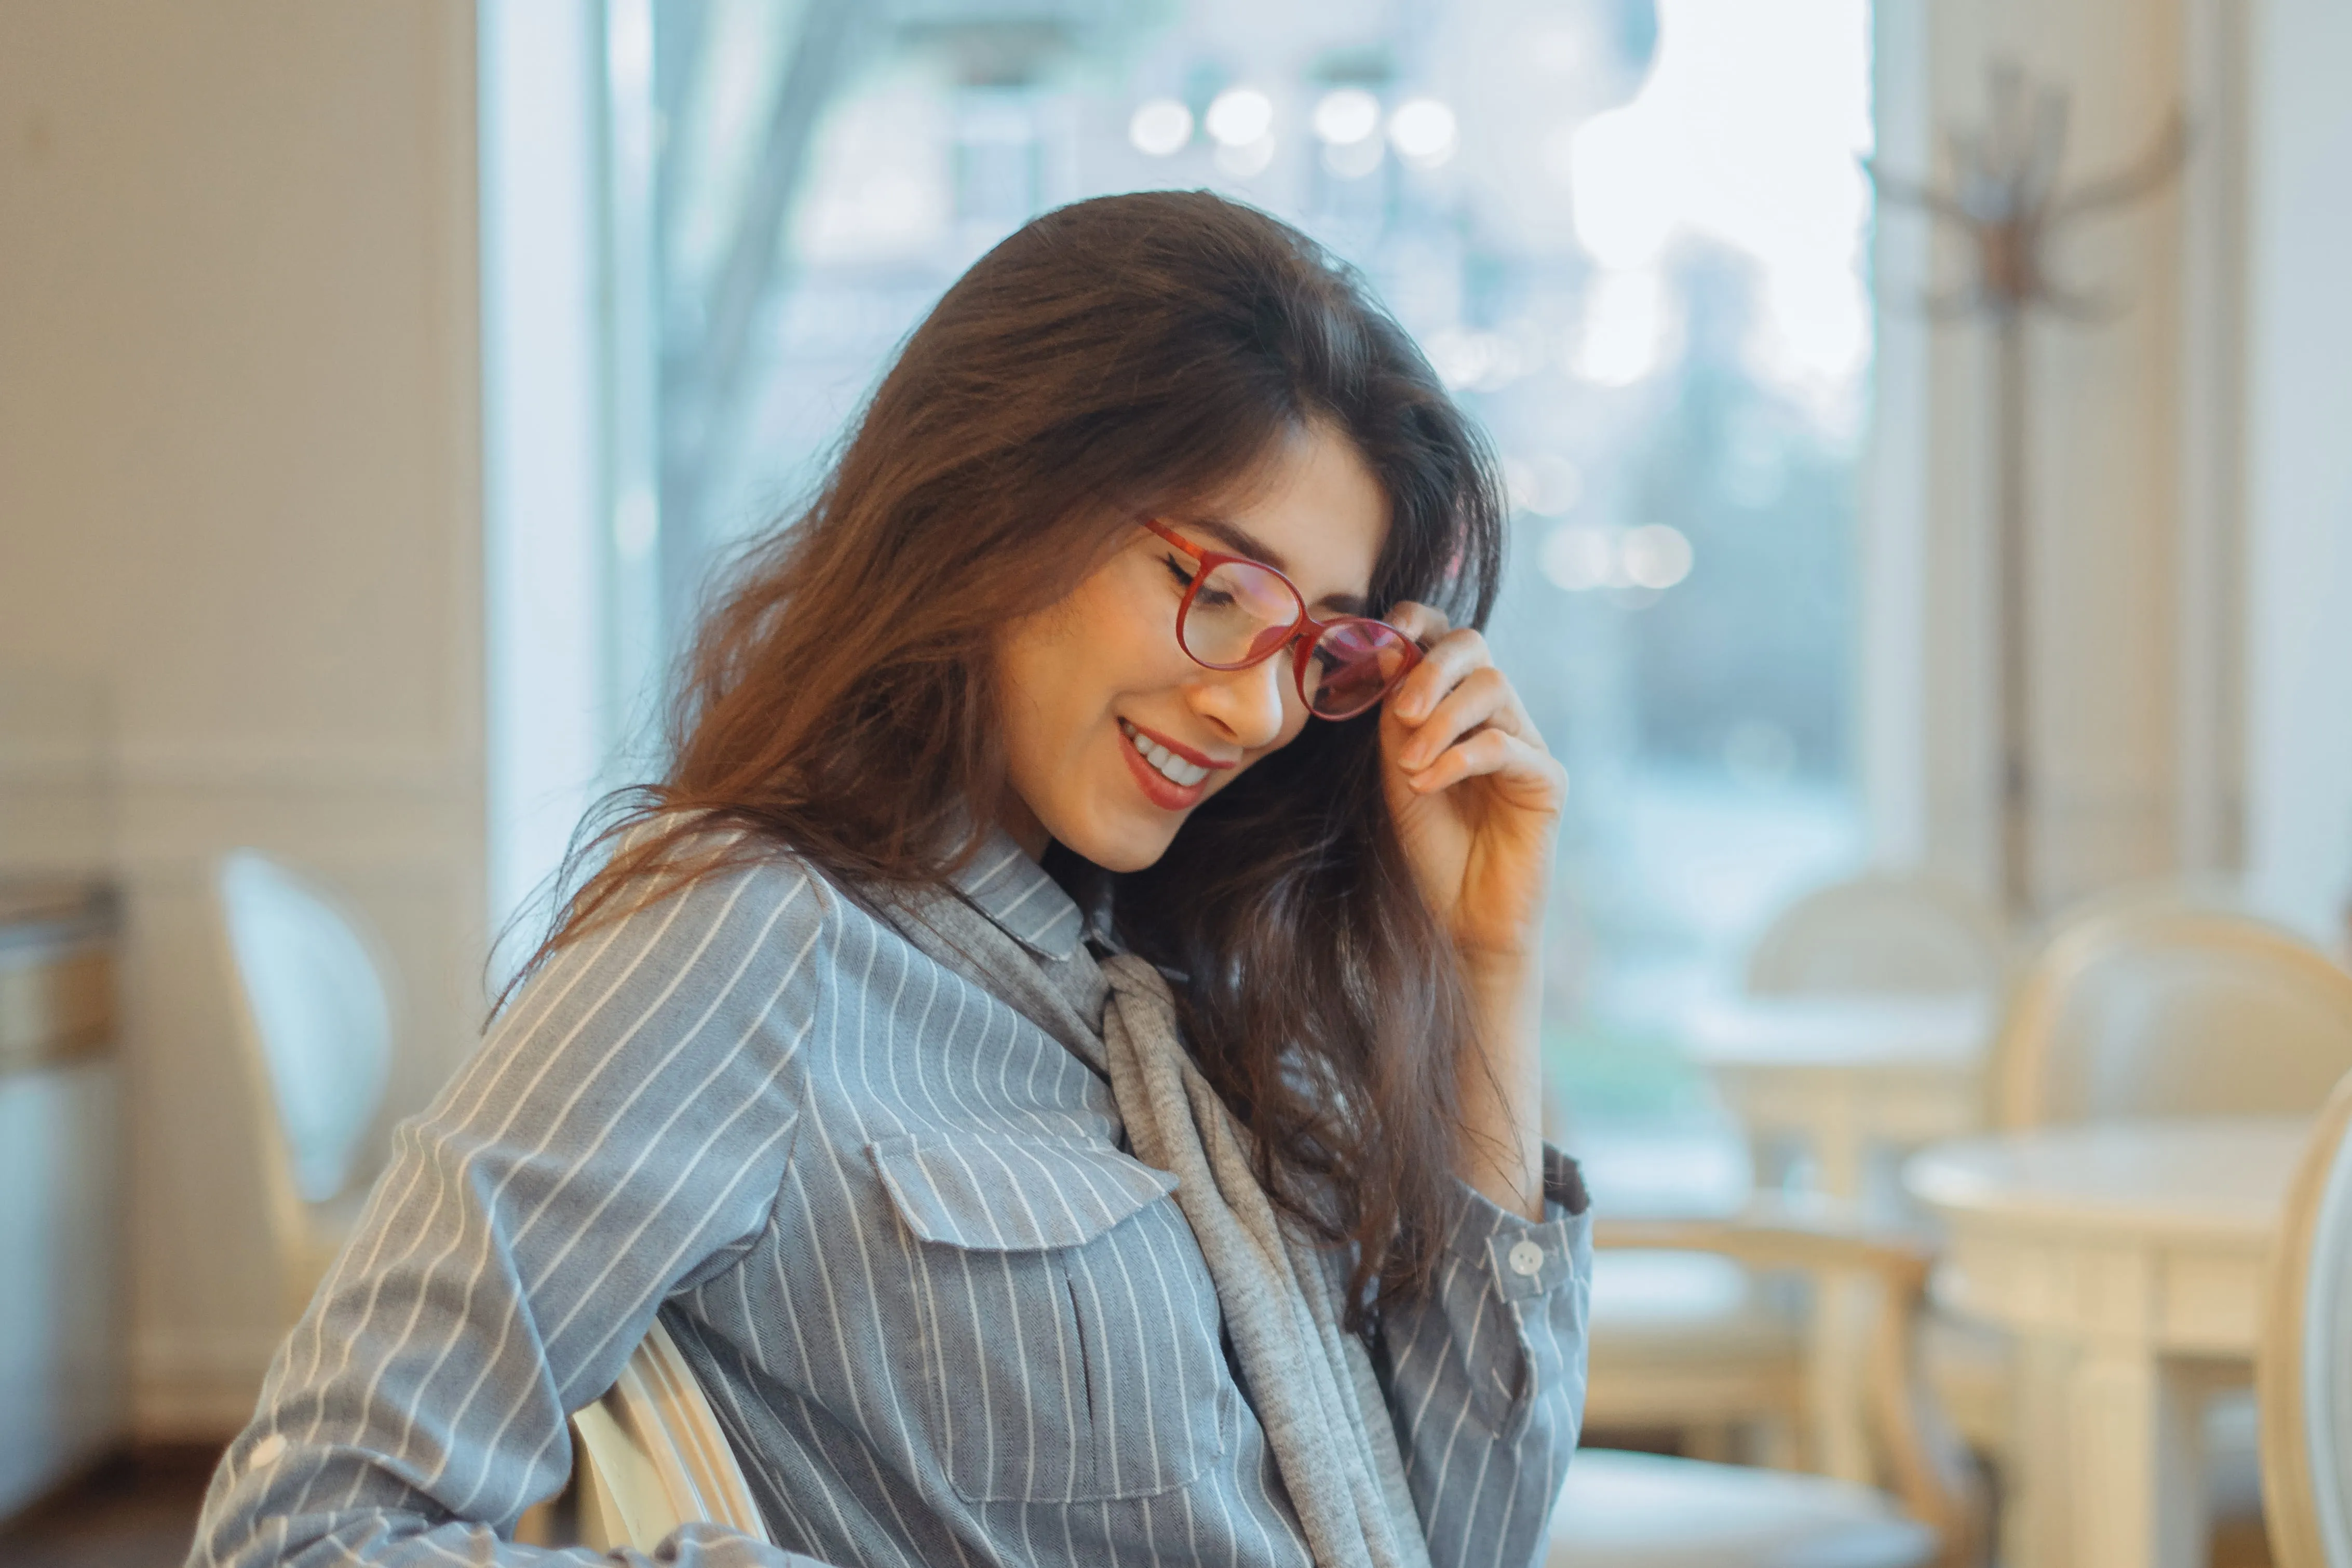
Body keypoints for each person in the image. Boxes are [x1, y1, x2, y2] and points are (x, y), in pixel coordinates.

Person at [188, 189, 1590, 1568]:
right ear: (1002, 491)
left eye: (1318, 654)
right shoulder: (747, 942)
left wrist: (1490, 968)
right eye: (1221, 589)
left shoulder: (1199, 998)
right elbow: (304, 1523)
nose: (1259, 713)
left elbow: (1459, 1538)